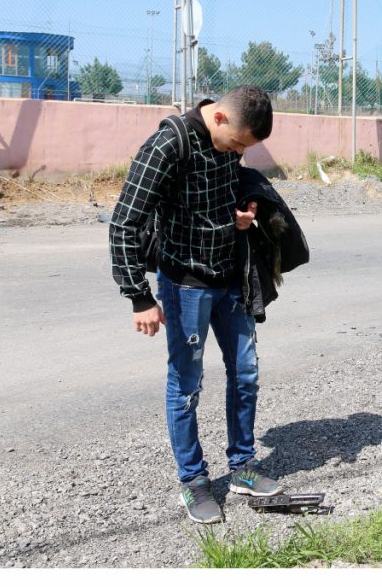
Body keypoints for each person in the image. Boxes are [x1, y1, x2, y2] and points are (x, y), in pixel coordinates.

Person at [109, 86, 281, 525]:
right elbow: (124, 221)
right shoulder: (170, 143)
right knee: (186, 384)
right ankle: (194, 480)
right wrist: (138, 296)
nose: (240, 152)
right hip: (185, 286)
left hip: (230, 279)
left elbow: (216, 197)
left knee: (245, 373)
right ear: (220, 118)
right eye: (240, 143)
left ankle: (242, 467)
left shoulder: (229, 142)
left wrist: (239, 217)